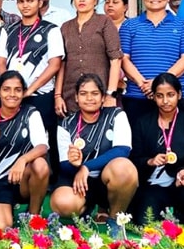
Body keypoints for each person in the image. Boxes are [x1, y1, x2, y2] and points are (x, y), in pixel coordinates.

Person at [49, 74, 136, 237]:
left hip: (107, 179)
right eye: (83, 93)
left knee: (125, 168)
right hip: (79, 183)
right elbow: (64, 164)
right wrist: (74, 164)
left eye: (95, 93)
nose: (89, 98)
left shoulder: (116, 115)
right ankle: (84, 210)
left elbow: (123, 149)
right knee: (62, 202)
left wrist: (86, 167)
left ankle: (115, 219)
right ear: (76, 97)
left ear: (103, 97)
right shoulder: (66, 124)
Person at [0, 0, 64, 170]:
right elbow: (1, 62)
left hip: (40, 95)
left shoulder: (51, 30)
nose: (25, 5)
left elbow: (55, 64)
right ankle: (12, 175)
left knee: (46, 137)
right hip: (12, 95)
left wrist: (29, 90)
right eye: (21, 1)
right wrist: (7, 88)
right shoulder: (7, 30)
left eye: (30, 1)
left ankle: (51, 179)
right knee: (13, 134)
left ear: (40, 2)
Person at [129, 73, 184, 225]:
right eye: (160, 96)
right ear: (153, 97)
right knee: (144, 223)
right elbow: (134, 158)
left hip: (183, 182)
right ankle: (162, 213)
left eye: (170, 95)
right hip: (154, 185)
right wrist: (150, 161)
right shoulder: (142, 123)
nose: (165, 101)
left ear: (179, 95)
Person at [120, 0, 184, 123]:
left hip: (174, 98)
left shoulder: (183, 26)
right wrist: (143, 84)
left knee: (175, 145)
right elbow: (123, 59)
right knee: (139, 145)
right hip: (137, 96)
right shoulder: (129, 26)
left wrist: (159, 84)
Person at [0, 71, 49, 230]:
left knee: (40, 165)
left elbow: (42, 147)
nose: (12, 94)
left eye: (17, 90)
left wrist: (22, 160)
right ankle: (5, 208)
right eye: (6, 89)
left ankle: (33, 215)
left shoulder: (31, 113)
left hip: (21, 179)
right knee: (2, 229)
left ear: (24, 92)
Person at [55, 0, 123, 116]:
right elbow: (61, 63)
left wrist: (110, 94)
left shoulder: (104, 22)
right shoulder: (65, 27)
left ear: (96, 0)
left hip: (100, 95)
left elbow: (116, 59)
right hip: (70, 96)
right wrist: (58, 96)